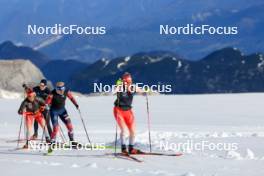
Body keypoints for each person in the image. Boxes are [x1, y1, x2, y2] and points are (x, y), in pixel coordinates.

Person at [113, 72, 146, 154]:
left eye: (130, 82)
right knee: (124, 131)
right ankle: (123, 149)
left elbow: (142, 91)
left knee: (133, 131)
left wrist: (145, 93)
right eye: (127, 82)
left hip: (128, 111)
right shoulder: (120, 87)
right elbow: (111, 92)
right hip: (118, 110)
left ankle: (131, 149)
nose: (128, 84)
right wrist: (117, 86)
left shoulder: (133, 87)